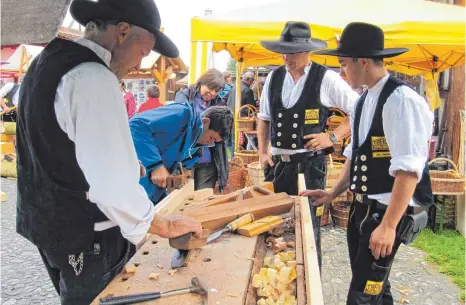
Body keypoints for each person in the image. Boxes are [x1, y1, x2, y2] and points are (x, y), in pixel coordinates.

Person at [15, 1, 201, 304]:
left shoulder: (46, 61)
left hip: (45, 222)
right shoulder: (92, 77)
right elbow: (111, 186)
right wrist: (162, 224)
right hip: (86, 233)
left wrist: (131, 165)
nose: (141, 64)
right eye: (143, 52)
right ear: (123, 32)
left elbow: (55, 143)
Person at [301, 22, 434, 305]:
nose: (341, 72)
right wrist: (332, 193)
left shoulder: (400, 101)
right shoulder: (363, 101)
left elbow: (409, 171)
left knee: (362, 296)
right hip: (361, 210)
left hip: (384, 213)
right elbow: (356, 155)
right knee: (374, 288)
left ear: (362, 62)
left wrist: (388, 226)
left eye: (344, 64)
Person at [257, 21, 359, 270]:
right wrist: (262, 152)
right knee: (274, 226)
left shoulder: (325, 78)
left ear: (306, 52)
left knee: (307, 228)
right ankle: (277, 282)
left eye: (291, 52)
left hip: (310, 165)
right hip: (278, 166)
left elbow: (360, 109)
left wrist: (333, 137)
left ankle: (310, 284)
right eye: (283, 51)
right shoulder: (274, 77)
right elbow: (264, 118)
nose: (285, 57)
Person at [130, 103, 233, 203]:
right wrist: (156, 165)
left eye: (214, 142)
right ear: (205, 121)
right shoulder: (182, 114)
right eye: (211, 137)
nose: (210, 143)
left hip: (152, 193)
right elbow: (136, 125)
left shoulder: (197, 145)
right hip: (133, 181)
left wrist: (183, 172)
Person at [174, 69, 229, 192]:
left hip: (208, 159)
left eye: (217, 91)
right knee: (184, 196)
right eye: (211, 88)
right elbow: (181, 123)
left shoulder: (217, 103)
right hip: (186, 159)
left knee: (204, 197)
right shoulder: (184, 96)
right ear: (203, 82)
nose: (213, 93)